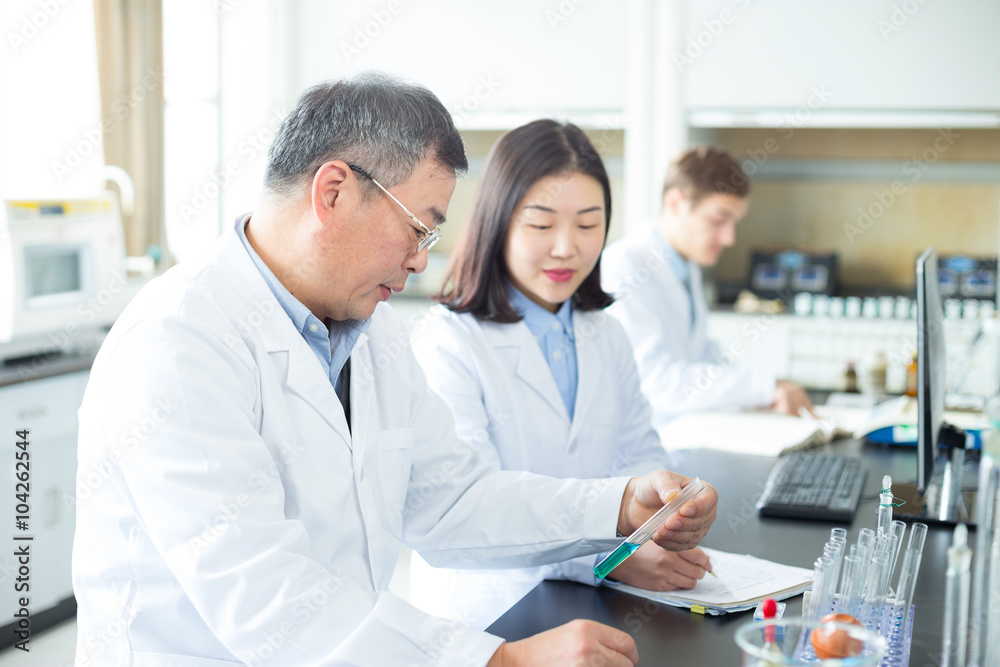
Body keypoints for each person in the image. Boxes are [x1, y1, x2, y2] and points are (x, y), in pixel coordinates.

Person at [72, 72, 718, 667]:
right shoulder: (179, 341)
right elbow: (264, 595)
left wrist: (617, 505)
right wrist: (498, 659)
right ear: (332, 191)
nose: (419, 261)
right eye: (418, 228)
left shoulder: (370, 332)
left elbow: (452, 496)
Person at [408, 119, 714, 630]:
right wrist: (607, 557)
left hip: (596, 612)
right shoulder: (448, 342)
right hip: (488, 618)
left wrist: (677, 506)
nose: (566, 247)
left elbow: (640, 454)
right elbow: (467, 512)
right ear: (498, 221)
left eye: (589, 224)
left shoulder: (606, 335)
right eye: (542, 224)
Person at [601, 146, 814, 428]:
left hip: (685, 435)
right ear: (675, 203)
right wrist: (761, 387)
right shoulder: (625, 266)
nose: (729, 238)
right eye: (718, 220)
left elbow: (703, 356)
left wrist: (768, 389)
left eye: (734, 223)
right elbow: (656, 381)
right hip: (643, 451)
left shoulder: (686, 266)